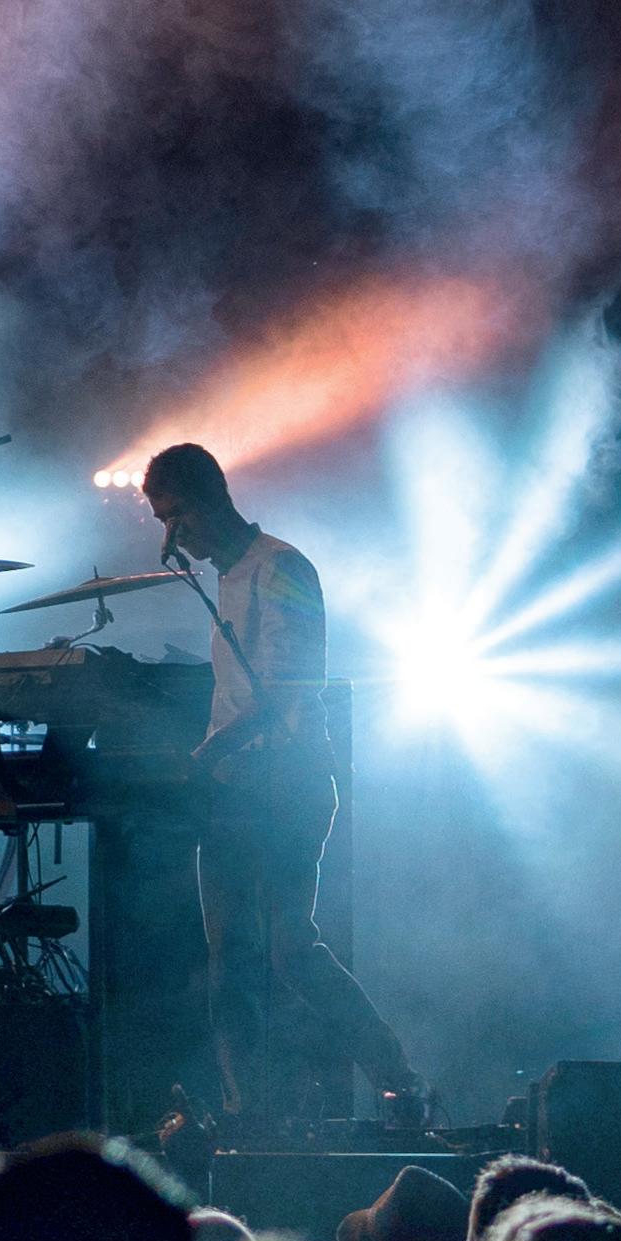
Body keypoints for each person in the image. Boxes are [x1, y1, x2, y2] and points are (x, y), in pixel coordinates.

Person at [140, 441, 411, 1126]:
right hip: (234, 788)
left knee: (292, 949)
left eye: (175, 516)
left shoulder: (282, 566)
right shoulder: (228, 578)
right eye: (162, 521)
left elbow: (286, 685)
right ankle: (247, 1112)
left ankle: (398, 1081)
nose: (171, 536)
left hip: (287, 781)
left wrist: (207, 753)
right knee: (228, 958)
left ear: (209, 501)